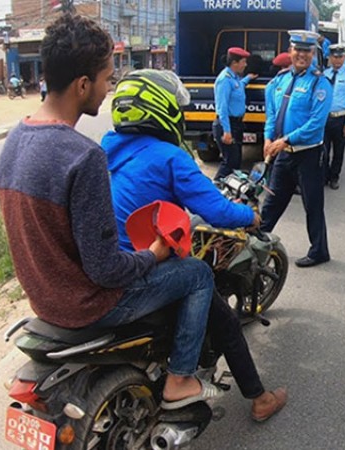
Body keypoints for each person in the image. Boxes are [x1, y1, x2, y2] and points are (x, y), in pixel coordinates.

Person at [0, 14, 219, 411]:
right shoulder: (83, 156)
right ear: (83, 85)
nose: (108, 89)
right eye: (106, 79)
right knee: (198, 274)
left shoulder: (15, 140)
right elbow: (105, 270)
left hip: (43, 301)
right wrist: (153, 255)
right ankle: (180, 379)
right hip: (89, 305)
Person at [102, 69, 288, 422]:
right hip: (139, 274)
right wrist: (249, 217)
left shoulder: (105, 149)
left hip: (111, 265)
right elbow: (216, 210)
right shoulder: (168, 157)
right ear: (162, 110)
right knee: (209, 291)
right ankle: (191, 380)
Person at [261, 30, 333, 268]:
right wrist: (267, 138)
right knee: (272, 201)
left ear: (313, 54)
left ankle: (319, 251)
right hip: (283, 154)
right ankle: (257, 242)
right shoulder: (279, 81)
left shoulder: (319, 83)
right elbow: (272, 113)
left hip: (308, 154)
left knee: (312, 205)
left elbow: (316, 123)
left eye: (307, 51)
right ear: (290, 51)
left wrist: (286, 140)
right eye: (297, 50)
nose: (301, 55)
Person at [213, 47, 258, 180]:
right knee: (229, 163)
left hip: (236, 124)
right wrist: (227, 131)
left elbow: (238, 86)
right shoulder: (224, 80)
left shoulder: (234, 78)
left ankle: (229, 193)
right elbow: (222, 108)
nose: (246, 65)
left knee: (235, 163)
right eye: (243, 62)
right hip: (227, 125)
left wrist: (248, 78)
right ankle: (215, 188)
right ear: (235, 63)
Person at [321, 43, 345, 190]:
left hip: (341, 118)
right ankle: (323, 176)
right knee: (323, 151)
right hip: (325, 119)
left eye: (340, 57)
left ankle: (334, 177)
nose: (337, 60)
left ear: (344, 57)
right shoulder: (324, 74)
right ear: (329, 58)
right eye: (334, 57)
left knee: (338, 151)